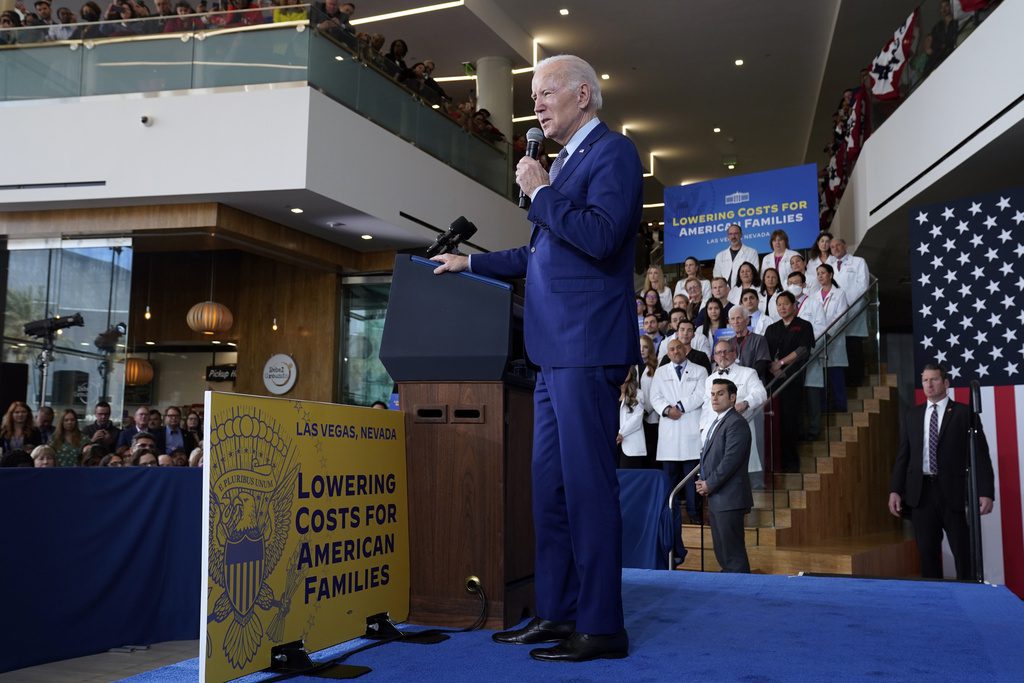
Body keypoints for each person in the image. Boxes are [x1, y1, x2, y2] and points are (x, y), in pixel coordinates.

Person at [431, 54, 640, 662]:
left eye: (546, 92)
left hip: (586, 346)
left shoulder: (614, 154)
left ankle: (601, 626)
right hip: (550, 354)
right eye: (534, 94)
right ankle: (556, 613)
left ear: (585, 95)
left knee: (586, 490)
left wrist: (542, 191)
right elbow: (539, 257)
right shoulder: (565, 165)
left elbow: (600, 237)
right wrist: (472, 263)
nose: (538, 103)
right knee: (548, 491)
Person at [888, 364, 995, 579]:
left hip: (953, 493)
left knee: (963, 553)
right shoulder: (913, 414)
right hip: (921, 494)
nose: (929, 384)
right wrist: (895, 490)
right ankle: (934, 602)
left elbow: (981, 456)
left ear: (945, 383)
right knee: (927, 553)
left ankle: (969, 597)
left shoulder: (965, 413)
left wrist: (986, 492)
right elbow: (904, 456)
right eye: (925, 380)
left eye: (934, 379)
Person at [695, 379, 754, 573]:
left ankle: (741, 595)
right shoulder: (719, 421)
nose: (714, 397)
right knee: (724, 553)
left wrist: (709, 484)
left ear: (732, 397)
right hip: (718, 498)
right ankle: (730, 593)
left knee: (733, 556)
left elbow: (730, 461)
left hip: (729, 498)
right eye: (712, 394)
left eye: (720, 393)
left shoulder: (736, 423)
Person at [650, 338, 708, 526]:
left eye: (679, 348)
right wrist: (667, 410)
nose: (676, 351)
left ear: (685, 349)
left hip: (691, 432)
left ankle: (694, 514)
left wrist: (680, 407)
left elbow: (700, 395)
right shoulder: (660, 372)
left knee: (691, 480)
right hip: (669, 436)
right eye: (672, 349)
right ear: (667, 353)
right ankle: (670, 515)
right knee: (670, 481)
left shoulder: (700, 370)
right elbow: (655, 397)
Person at [764, 292, 815, 473]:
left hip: (792, 378)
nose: (782, 307)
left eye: (786, 304)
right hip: (772, 378)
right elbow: (765, 351)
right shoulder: (772, 328)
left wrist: (782, 363)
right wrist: (772, 366)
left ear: (795, 305)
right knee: (773, 421)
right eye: (779, 304)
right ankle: (775, 462)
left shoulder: (804, 326)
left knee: (789, 419)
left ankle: (791, 462)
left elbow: (802, 350)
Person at [703, 338, 766, 480]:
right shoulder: (709, 379)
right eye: (718, 353)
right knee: (718, 472)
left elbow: (761, 394)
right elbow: (706, 407)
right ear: (714, 357)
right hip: (717, 432)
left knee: (740, 472)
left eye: (726, 351)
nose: (722, 355)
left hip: (739, 427)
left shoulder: (748, 373)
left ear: (734, 354)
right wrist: (703, 430)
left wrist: (745, 403)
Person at [829, 237, 870, 386]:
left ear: (845, 246)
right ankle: (845, 385)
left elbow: (863, 286)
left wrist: (846, 306)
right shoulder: (829, 266)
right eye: (832, 247)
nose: (835, 248)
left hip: (854, 310)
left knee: (854, 348)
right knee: (840, 350)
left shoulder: (858, 262)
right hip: (836, 315)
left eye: (838, 245)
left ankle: (857, 383)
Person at [728, 306, 771, 381]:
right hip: (733, 384)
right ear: (729, 322)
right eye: (732, 319)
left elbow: (762, 365)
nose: (736, 322)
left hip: (753, 383)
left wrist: (745, 379)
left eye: (739, 318)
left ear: (747, 320)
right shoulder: (729, 343)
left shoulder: (759, 339)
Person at [617, 367, 646, 468]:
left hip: (630, 446)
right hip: (613, 445)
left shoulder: (639, 394)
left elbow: (636, 419)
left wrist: (621, 433)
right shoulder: (612, 392)